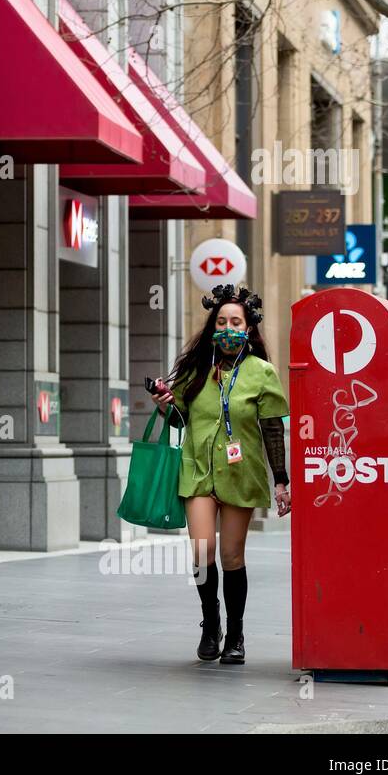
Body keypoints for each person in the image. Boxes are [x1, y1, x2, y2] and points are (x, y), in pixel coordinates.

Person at [149, 284, 291, 665]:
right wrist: (164, 401)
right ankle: (210, 622)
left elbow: (272, 428)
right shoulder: (196, 370)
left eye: (236, 322)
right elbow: (177, 418)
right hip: (197, 472)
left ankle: (237, 633)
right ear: (213, 326)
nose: (229, 328)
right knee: (201, 551)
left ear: (248, 329)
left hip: (240, 475)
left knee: (231, 556)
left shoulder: (262, 373)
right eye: (222, 321)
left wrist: (282, 480)